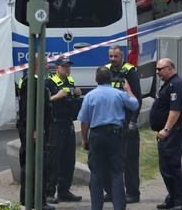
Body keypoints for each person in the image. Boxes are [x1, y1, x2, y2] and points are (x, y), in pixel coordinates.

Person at [78, 66, 139, 210]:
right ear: (110, 79)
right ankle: (119, 207)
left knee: (97, 173)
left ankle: (96, 207)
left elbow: (84, 122)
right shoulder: (118, 94)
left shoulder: (90, 96)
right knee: (117, 173)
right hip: (115, 135)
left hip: (97, 136)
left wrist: (84, 139)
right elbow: (135, 105)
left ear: (96, 79)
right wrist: (129, 90)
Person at [149, 58, 182, 210]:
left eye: (160, 69)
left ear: (170, 68)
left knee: (172, 166)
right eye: (157, 69)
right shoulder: (169, 84)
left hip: (174, 131)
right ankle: (174, 198)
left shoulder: (177, 85)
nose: (157, 72)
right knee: (165, 167)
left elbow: (175, 111)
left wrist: (166, 129)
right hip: (168, 132)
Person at [104, 46, 142, 204]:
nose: (113, 59)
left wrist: (133, 121)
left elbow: (137, 98)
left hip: (127, 122)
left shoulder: (130, 71)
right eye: (111, 56)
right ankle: (112, 192)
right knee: (110, 159)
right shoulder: (105, 71)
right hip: (112, 123)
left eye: (116, 57)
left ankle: (133, 193)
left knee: (130, 160)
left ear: (122, 57)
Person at [17, 55, 55, 210]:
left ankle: (37, 200)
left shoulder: (37, 80)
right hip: (32, 130)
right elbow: (28, 109)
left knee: (38, 163)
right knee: (32, 164)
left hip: (39, 129)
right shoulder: (29, 82)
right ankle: (31, 200)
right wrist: (34, 130)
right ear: (36, 65)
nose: (47, 67)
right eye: (44, 64)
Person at [45, 55, 83, 203]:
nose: (67, 68)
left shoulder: (70, 81)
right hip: (55, 125)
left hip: (68, 124)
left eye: (69, 66)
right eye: (64, 66)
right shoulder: (49, 82)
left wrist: (77, 93)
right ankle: (49, 192)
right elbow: (43, 102)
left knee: (68, 160)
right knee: (53, 160)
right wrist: (57, 95)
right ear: (57, 67)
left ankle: (64, 191)